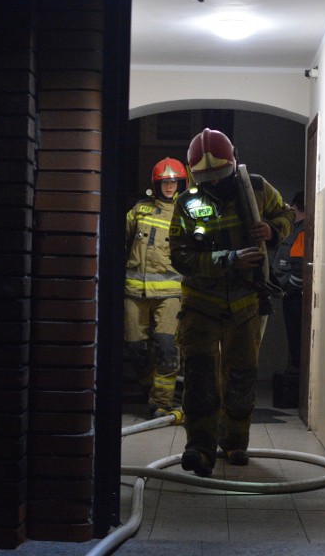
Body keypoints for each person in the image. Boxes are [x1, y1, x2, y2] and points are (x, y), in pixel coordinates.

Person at [169, 128, 294, 476]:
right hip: (200, 305)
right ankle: (200, 448)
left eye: (220, 178)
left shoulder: (256, 189)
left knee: (241, 378)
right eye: (206, 180)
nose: (214, 186)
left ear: (234, 163)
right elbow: (180, 256)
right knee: (200, 378)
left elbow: (286, 214)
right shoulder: (186, 203)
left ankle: (235, 443)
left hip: (245, 304)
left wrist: (272, 230)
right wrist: (228, 259)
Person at [124, 157, 188, 419]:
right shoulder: (138, 211)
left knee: (166, 346)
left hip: (171, 293)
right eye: (165, 181)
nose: (170, 186)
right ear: (157, 183)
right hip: (134, 292)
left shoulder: (186, 214)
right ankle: (153, 391)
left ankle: (162, 402)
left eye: (174, 181)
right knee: (136, 349)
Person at [273, 191, 305, 373]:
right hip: (291, 295)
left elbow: (300, 264)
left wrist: (291, 287)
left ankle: (295, 379)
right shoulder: (298, 229)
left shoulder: (303, 231)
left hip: (294, 297)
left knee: (296, 341)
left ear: (294, 208)